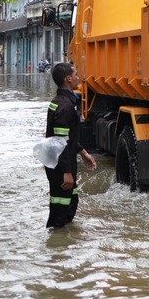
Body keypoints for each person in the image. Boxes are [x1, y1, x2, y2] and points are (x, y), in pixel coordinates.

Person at [44, 62, 97, 229]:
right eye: (75, 74)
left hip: (60, 164)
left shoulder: (61, 102)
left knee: (70, 203)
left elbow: (67, 137)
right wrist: (67, 172)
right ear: (68, 79)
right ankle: (57, 248)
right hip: (61, 167)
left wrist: (82, 152)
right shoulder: (65, 107)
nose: (78, 77)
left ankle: (63, 247)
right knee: (60, 213)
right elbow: (61, 142)